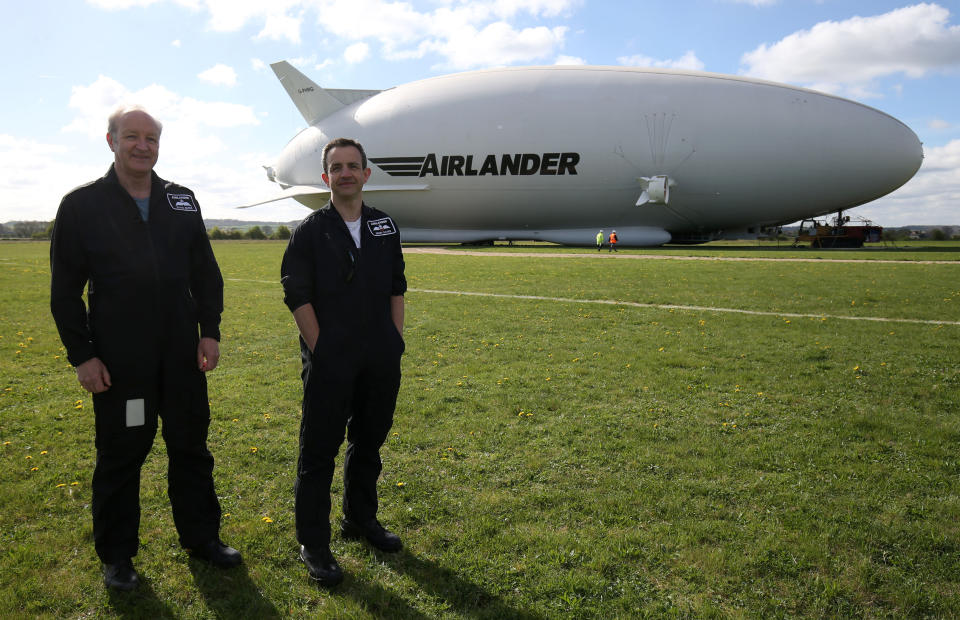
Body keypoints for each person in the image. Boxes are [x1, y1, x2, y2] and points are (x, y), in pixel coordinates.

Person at [50, 105, 241, 592]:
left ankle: (202, 539)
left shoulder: (182, 201)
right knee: (121, 456)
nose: (143, 146)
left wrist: (210, 330)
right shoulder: (82, 206)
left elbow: (206, 275)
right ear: (110, 140)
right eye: (132, 136)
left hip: (181, 358)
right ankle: (117, 558)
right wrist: (83, 356)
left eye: (151, 138)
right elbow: (65, 293)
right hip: (121, 365)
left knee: (191, 449)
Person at [280, 137, 407, 587]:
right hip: (331, 361)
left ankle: (360, 520)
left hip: (379, 358)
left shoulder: (383, 226)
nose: (346, 173)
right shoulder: (311, 231)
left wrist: (395, 340)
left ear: (366, 174)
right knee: (318, 455)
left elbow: (396, 285)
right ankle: (313, 543)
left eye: (354, 165)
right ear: (325, 177)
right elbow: (297, 295)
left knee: (369, 444)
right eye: (337, 167)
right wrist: (323, 349)